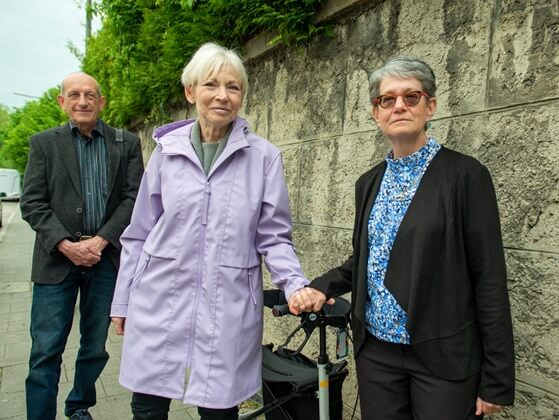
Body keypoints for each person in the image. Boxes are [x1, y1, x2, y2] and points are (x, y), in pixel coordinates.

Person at [110, 42, 315, 420]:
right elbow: (139, 233)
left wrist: (295, 284)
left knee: (219, 408)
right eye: (211, 85)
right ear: (191, 92)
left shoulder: (263, 157)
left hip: (228, 300)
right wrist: (122, 301)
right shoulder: (165, 153)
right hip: (159, 295)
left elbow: (273, 235)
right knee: (148, 406)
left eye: (233, 87)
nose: (223, 95)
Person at [302, 56, 515, 419]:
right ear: (376, 112)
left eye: (411, 97)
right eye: (388, 99)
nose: (399, 105)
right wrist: (323, 286)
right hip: (377, 355)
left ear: (430, 106)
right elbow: (367, 260)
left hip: (443, 357)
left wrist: (496, 379)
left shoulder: (466, 176)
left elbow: (489, 279)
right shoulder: (368, 182)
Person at [20, 72, 144, 420]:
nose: (83, 101)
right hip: (54, 262)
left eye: (91, 95)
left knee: (94, 346)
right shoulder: (44, 144)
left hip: (105, 262)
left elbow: (133, 198)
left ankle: (78, 406)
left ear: (102, 102)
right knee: (45, 350)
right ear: (62, 102)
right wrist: (65, 244)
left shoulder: (126, 143)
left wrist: (102, 240)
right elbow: (32, 202)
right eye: (74, 95)